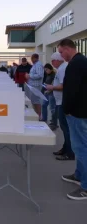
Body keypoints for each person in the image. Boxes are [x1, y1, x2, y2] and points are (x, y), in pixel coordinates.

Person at [57, 39, 87, 200]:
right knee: (80, 147)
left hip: (77, 113)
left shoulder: (76, 64)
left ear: (68, 49)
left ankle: (86, 186)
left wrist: (66, 110)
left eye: (61, 52)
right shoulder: (81, 61)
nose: (61, 56)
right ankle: (79, 175)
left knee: (81, 148)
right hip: (80, 111)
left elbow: (72, 90)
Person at [45, 52, 74, 161]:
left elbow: (63, 86)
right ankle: (65, 148)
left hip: (62, 102)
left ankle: (69, 152)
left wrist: (51, 87)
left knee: (65, 128)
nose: (52, 63)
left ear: (57, 60)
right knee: (64, 128)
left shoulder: (62, 69)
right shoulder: (62, 68)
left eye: (53, 61)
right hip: (60, 101)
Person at [25, 53, 44, 119]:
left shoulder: (38, 65)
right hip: (32, 86)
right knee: (33, 101)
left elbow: (39, 75)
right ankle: (36, 115)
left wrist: (29, 76)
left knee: (36, 101)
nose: (32, 60)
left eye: (32, 59)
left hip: (35, 86)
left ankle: (39, 116)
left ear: (35, 58)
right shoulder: (35, 65)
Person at [41, 63, 57, 130]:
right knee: (44, 105)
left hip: (51, 93)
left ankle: (54, 123)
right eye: (45, 70)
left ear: (50, 69)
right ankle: (44, 118)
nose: (46, 71)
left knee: (52, 108)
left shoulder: (54, 75)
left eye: (47, 70)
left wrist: (49, 90)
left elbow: (54, 85)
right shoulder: (48, 74)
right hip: (47, 92)